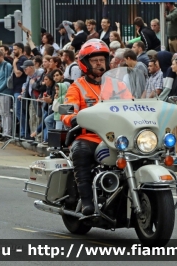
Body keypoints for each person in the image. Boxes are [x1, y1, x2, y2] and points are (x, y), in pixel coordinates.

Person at [61, 39, 129, 215]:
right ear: (84, 64)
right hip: (90, 137)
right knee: (81, 152)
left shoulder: (118, 85)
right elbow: (67, 111)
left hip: (118, 137)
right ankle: (86, 201)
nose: (99, 63)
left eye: (102, 60)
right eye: (94, 60)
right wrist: (73, 119)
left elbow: (132, 105)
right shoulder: (77, 87)